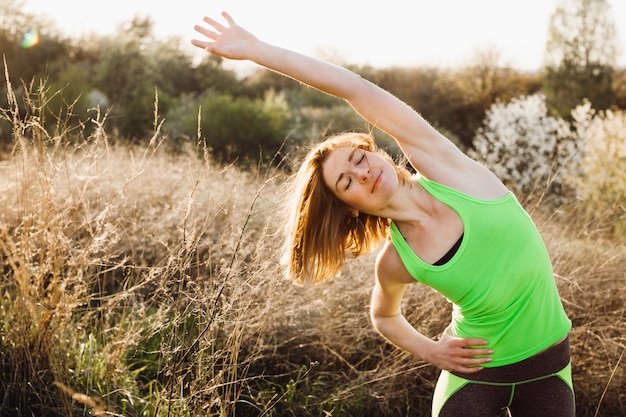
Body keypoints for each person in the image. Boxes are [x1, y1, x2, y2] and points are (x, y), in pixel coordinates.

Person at [192, 12, 575, 417]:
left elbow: (354, 88)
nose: (362, 172)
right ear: (350, 209)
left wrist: (256, 50)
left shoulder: (449, 170)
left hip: (547, 365)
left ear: (375, 152)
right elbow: (384, 315)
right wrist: (431, 350)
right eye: (347, 182)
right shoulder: (396, 260)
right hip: (475, 375)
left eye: (359, 158)